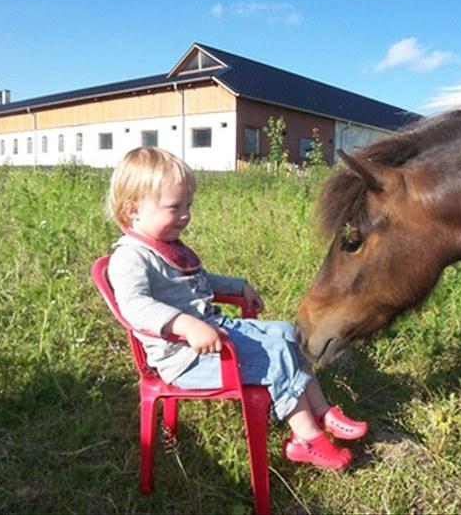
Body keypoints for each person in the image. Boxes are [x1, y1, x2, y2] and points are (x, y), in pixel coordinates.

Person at [106, 146, 367, 470]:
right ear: (133, 210)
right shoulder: (131, 257)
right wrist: (186, 325)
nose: (186, 215)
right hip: (185, 359)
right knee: (275, 357)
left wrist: (236, 286)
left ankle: (320, 409)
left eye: (189, 205)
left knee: (289, 335)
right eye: (175, 207)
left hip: (215, 333)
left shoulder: (168, 245)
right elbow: (135, 306)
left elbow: (202, 280)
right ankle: (306, 439)